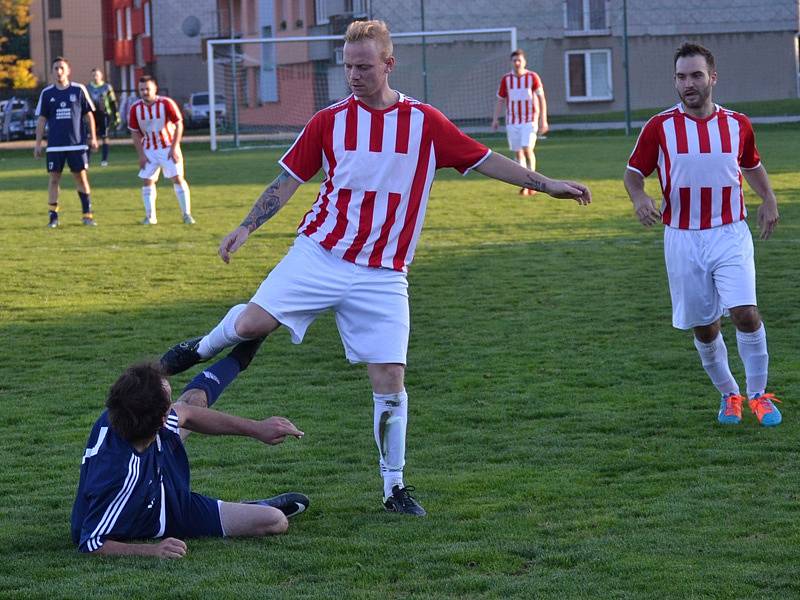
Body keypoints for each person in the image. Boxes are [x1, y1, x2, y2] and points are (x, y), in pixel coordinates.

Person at [160, 19, 591, 516]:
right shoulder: (330, 120)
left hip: (383, 274)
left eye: (363, 66)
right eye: (347, 66)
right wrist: (245, 227)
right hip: (319, 254)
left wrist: (547, 183)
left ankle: (394, 489)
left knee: (390, 380)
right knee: (252, 323)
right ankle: (201, 347)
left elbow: (487, 161)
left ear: (388, 64)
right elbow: (289, 179)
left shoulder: (425, 122)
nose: (353, 75)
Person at [624, 42, 781, 427]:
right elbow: (632, 174)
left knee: (745, 313)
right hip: (682, 237)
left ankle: (758, 394)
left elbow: (751, 165)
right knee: (706, 325)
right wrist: (640, 196)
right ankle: (730, 395)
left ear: (712, 77)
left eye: (696, 75)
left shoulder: (737, 123)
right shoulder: (659, 127)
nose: (688, 83)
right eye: (681, 77)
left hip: (729, 232)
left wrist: (769, 199)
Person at [71, 338, 309, 558]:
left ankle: (241, 354)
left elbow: (187, 413)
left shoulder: (124, 410)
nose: (174, 405)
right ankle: (249, 508)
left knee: (193, 401)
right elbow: (90, 542)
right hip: (152, 519)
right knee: (275, 520)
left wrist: (257, 428)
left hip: (164, 490)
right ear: (162, 421)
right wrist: (152, 550)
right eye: (168, 401)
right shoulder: (118, 475)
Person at [34, 56, 99, 228]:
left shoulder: (79, 90)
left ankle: (87, 215)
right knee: (54, 179)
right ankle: (53, 217)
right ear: (52, 71)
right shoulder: (47, 93)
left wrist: (93, 137)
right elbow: (41, 120)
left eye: (62, 68)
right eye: (56, 68)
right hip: (55, 145)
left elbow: (88, 115)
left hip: (76, 144)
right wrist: (38, 144)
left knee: (81, 177)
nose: (59, 71)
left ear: (68, 70)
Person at [128, 75, 195, 225]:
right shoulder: (135, 108)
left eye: (147, 89)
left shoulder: (166, 103)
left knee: (177, 178)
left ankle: (186, 214)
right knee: (147, 181)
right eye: (141, 89)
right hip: (149, 149)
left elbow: (179, 124)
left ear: (155, 89)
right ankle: (150, 217)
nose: (145, 92)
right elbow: (134, 132)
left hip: (168, 148)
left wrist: (174, 147)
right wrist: (141, 155)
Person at [491, 49, 549, 196]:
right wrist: (495, 119)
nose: (517, 63)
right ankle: (524, 183)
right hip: (512, 120)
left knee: (527, 148)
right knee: (518, 153)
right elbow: (500, 100)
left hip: (529, 119)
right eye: (514, 60)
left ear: (524, 62)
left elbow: (541, 98)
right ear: (511, 62)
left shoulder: (532, 77)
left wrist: (544, 119)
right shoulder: (506, 79)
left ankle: (534, 183)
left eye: (519, 60)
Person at [86, 68, 120, 167]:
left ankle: (104, 160)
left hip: (104, 114)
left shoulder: (107, 87)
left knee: (105, 137)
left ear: (101, 76)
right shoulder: (88, 88)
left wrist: (116, 116)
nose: (95, 77)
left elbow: (113, 102)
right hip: (92, 115)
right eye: (93, 75)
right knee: (89, 138)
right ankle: (87, 161)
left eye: (97, 75)